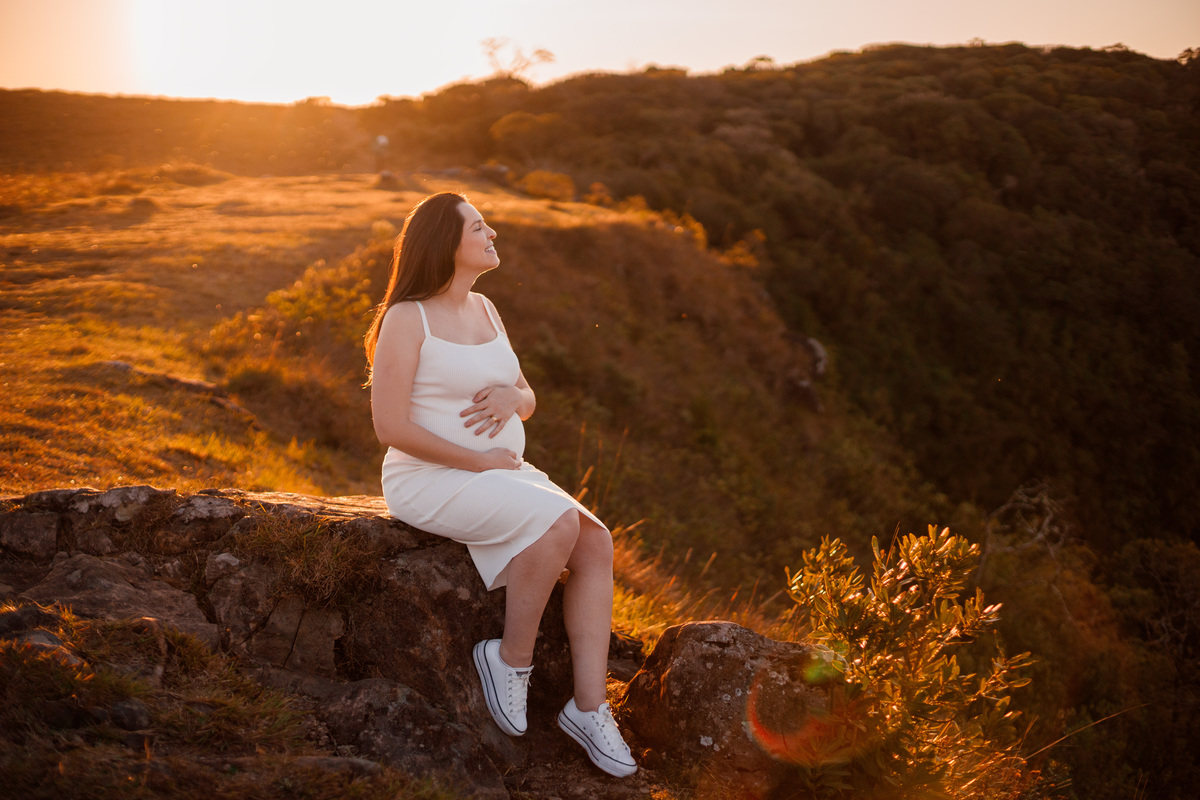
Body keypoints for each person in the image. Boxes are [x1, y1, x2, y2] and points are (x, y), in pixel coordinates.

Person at [364, 191, 637, 778]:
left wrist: (517, 398)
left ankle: (588, 708)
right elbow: (389, 425)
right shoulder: (406, 318)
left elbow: (525, 395)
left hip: (499, 472)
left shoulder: (487, 309)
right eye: (480, 228)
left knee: (596, 542)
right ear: (448, 244)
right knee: (558, 522)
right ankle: (510, 659)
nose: (493, 236)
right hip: (430, 478)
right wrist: (474, 460)